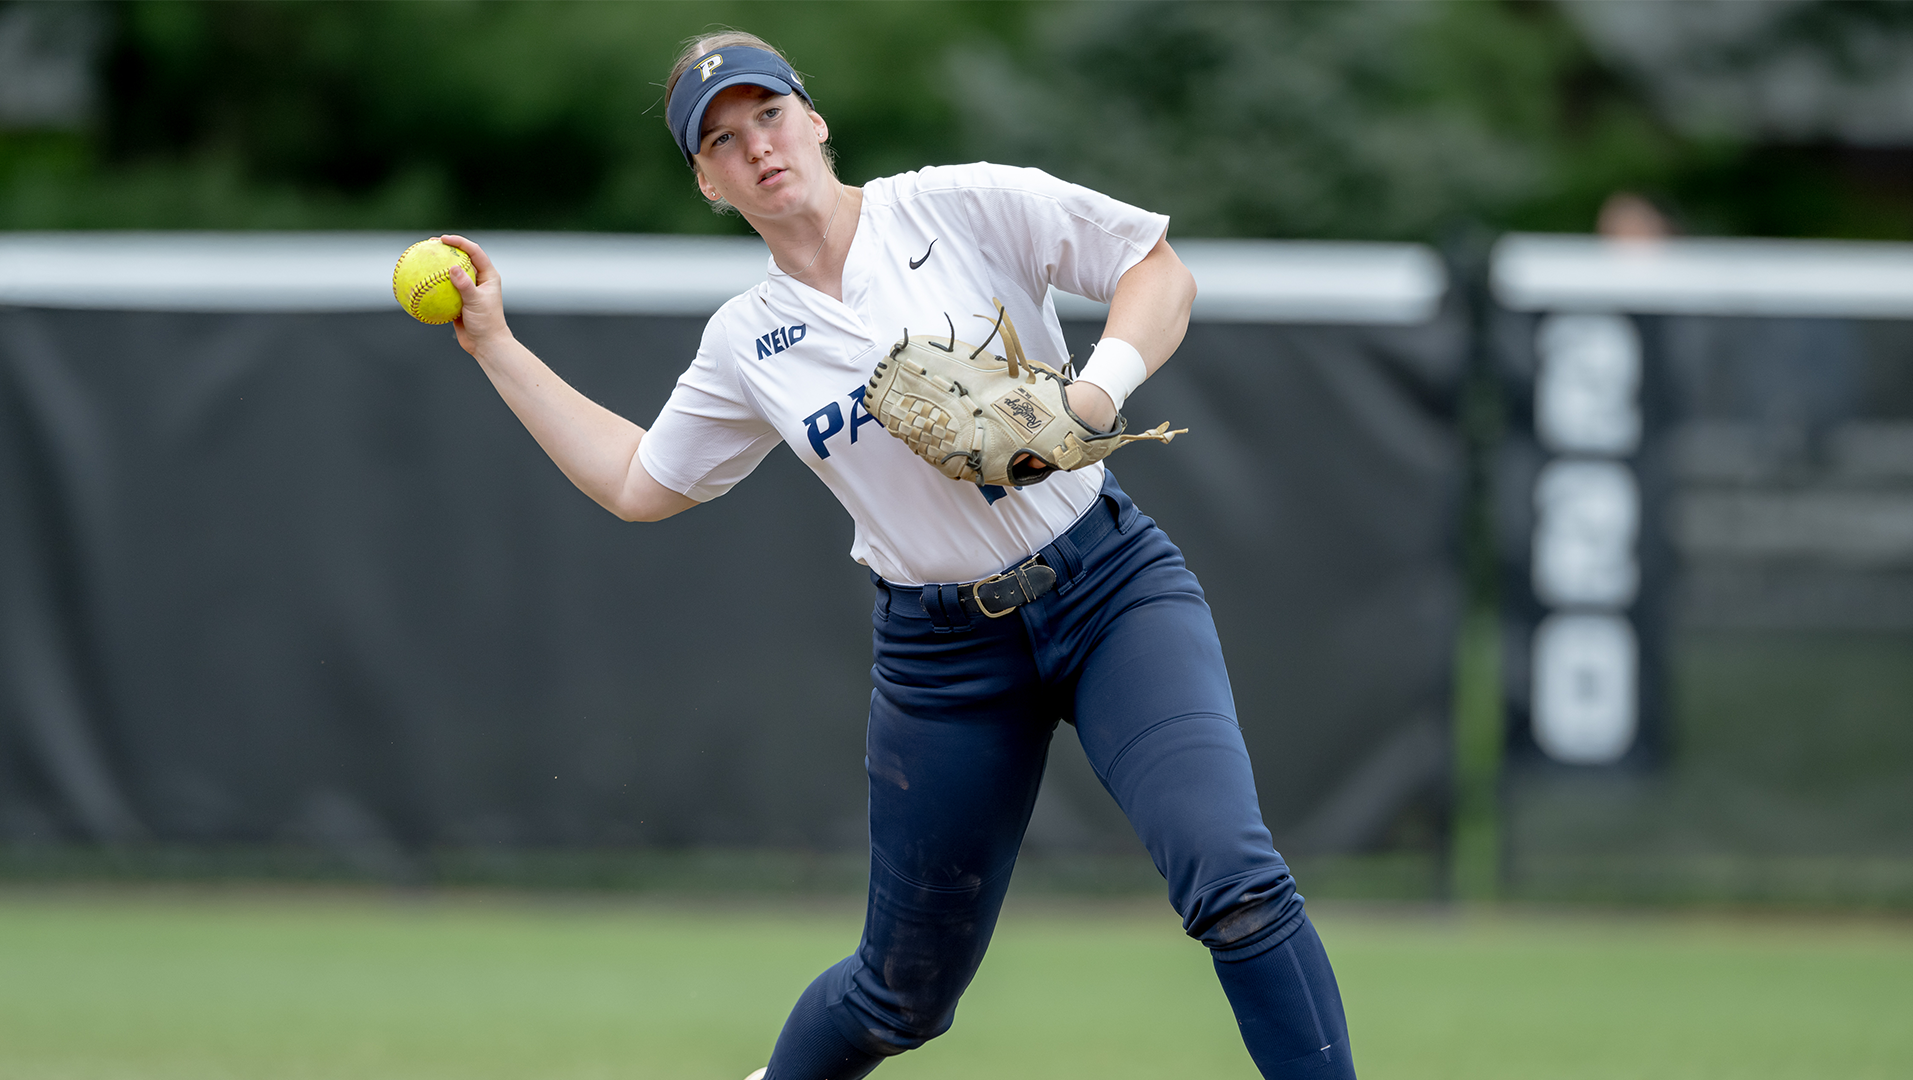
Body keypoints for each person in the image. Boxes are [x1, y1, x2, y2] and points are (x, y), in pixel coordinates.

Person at [439, 30, 1354, 1080]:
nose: (759, 148)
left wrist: (1091, 394)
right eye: (725, 140)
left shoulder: (957, 203)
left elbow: (1158, 272)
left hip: (1109, 591)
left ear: (813, 117)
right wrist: (496, 345)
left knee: (1234, 883)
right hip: (945, 660)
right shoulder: (749, 340)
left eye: (769, 115)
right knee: (898, 995)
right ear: (707, 180)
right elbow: (640, 482)